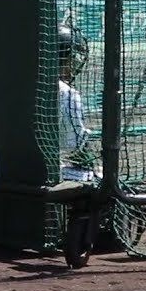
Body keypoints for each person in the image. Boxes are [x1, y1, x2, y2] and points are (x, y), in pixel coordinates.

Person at [57, 24, 98, 182]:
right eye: (73, 60)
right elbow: (73, 146)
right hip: (39, 173)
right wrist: (90, 163)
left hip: (1, 165)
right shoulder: (66, 93)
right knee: (91, 177)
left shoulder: (19, 78)